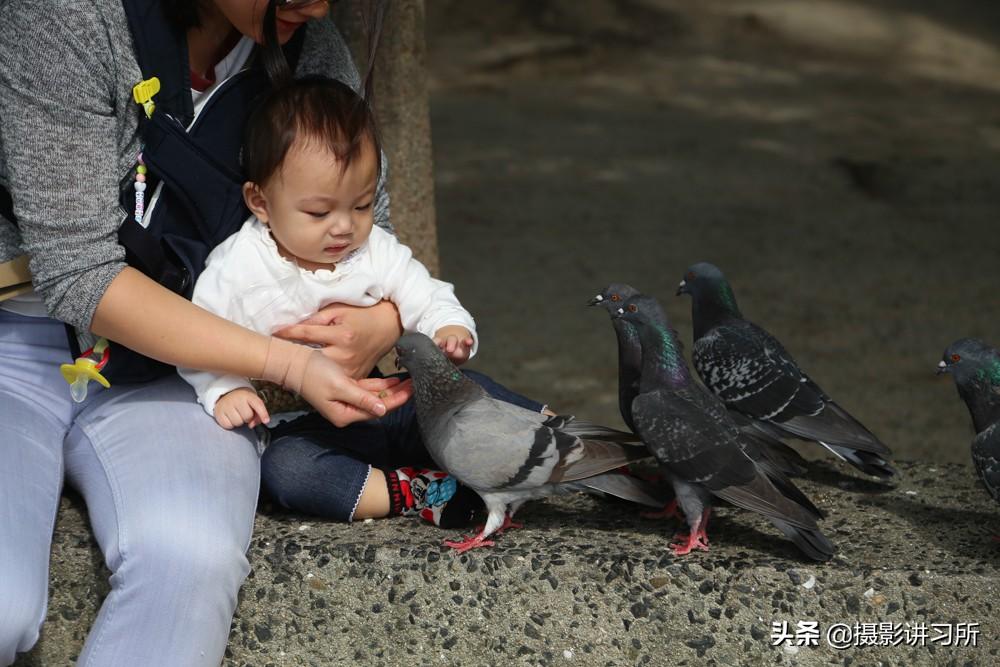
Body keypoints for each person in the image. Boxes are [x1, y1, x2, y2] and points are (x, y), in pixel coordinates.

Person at [0, 1, 411, 665]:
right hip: (16, 344)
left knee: (191, 557)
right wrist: (288, 363)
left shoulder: (311, 50)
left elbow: (375, 233)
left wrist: (378, 318)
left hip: (187, 373)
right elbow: (80, 274)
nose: (317, 5)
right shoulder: (69, 17)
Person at [181, 76, 540, 527]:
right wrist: (223, 387)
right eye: (318, 212)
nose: (343, 228)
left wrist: (448, 326)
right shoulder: (238, 268)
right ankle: (423, 491)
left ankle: (565, 440)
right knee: (287, 472)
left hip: (386, 401)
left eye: (362, 205)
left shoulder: (373, 252)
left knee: (470, 392)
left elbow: (423, 292)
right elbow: (198, 334)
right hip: (303, 428)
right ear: (261, 202)